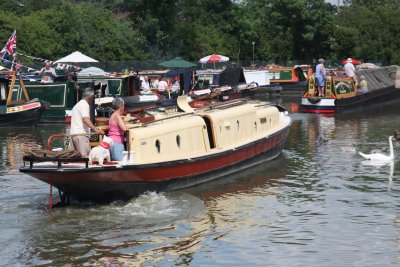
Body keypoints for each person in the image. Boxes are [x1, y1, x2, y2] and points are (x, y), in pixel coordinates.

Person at [70, 88, 105, 157]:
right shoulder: (84, 104)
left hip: (75, 135)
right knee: (85, 158)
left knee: (79, 158)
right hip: (81, 135)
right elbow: (85, 119)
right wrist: (96, 130)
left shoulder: (78, 104)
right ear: (91, 97)